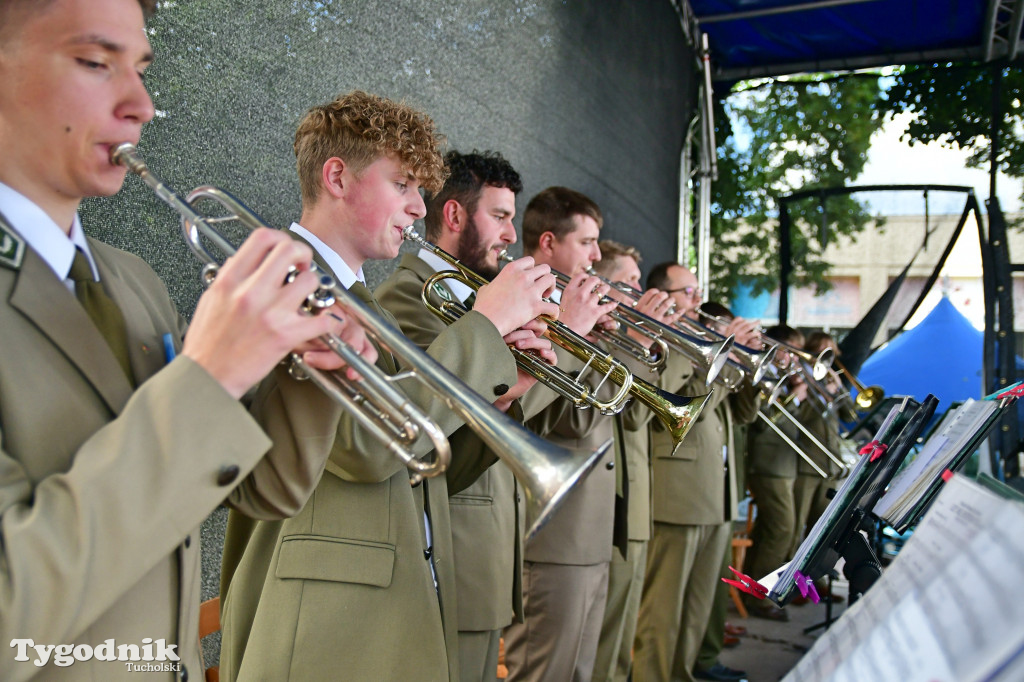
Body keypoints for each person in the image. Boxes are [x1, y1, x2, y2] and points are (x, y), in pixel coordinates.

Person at [0, 1, 373, 680]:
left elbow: (263, 491)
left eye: (141, 69)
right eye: (94, 63)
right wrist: (206, 381)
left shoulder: (133, 281)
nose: (141, 104)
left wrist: (313, 374)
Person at [218, 92, 559, 682]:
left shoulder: (363, 298)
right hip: (322, 620)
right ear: (337, 178)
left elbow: (421, 461)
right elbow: (365, 447)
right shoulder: (284, 278)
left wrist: (504, 391)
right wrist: (484, 325)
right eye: (402, 184)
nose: (417, 206)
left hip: (383, 603)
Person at [374, 149, 556, 682]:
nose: (510, 234)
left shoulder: (477, 294)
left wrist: (522, 378)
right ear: (454, 216)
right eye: (499, 216)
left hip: (488, 548)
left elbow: (486, 406)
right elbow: (419, 428)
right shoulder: (406, 296)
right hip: (452, 550)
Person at [502, 187, 636, 682]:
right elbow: (561, 418)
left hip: (592, 529)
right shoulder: (519, 304)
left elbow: (615, 409)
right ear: (549, 244)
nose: (598, 256)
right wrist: (578, 335)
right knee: (544, 670)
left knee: (579, 671)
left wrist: (614, 341)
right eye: (588, 243)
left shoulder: (575, 308)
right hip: (553, 533)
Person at [632, 265, 760, 682]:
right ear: (662, 293)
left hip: (715, 493)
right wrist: (724, 355)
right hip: (676, 494)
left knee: (696, 609)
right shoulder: (665, 341)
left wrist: (749, 368)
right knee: (663, 613)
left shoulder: (703, 342)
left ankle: (684, 674)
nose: (697, 299)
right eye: (688, 290)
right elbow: (678, 411)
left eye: (697, 290)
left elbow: (741, 414)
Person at [589, 240, 680, 682]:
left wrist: (650, 345)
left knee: (619, 639)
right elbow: (616, 413)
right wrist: (638, 343)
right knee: (598, 646)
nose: (639, 292)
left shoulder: (625, 339)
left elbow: (643, 413)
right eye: (628, 282)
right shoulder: (602, 336)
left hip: (632, 504)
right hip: (599, 507)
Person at [742, 324, 806, 622]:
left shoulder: (782, 377)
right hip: (767, 465)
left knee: (772, 530)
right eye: (790, 351)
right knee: (782, 529)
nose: (795, 359)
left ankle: (750, 588)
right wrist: (794, 396)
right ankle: (760, 597)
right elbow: (761, 421)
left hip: (785, 464)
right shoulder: (765, 373)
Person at [789, 331, 848, 603]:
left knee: (820, 531)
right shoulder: (801, 378)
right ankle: (792, 585)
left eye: (832, 354)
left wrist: (838, 391)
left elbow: (849, 414)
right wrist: (821, 394)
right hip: (805, 464)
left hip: (828, 463)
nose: (830, 359)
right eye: (825, 353)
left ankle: (816, 582)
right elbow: (799, 417)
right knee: (797, 530)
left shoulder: (830, 380)